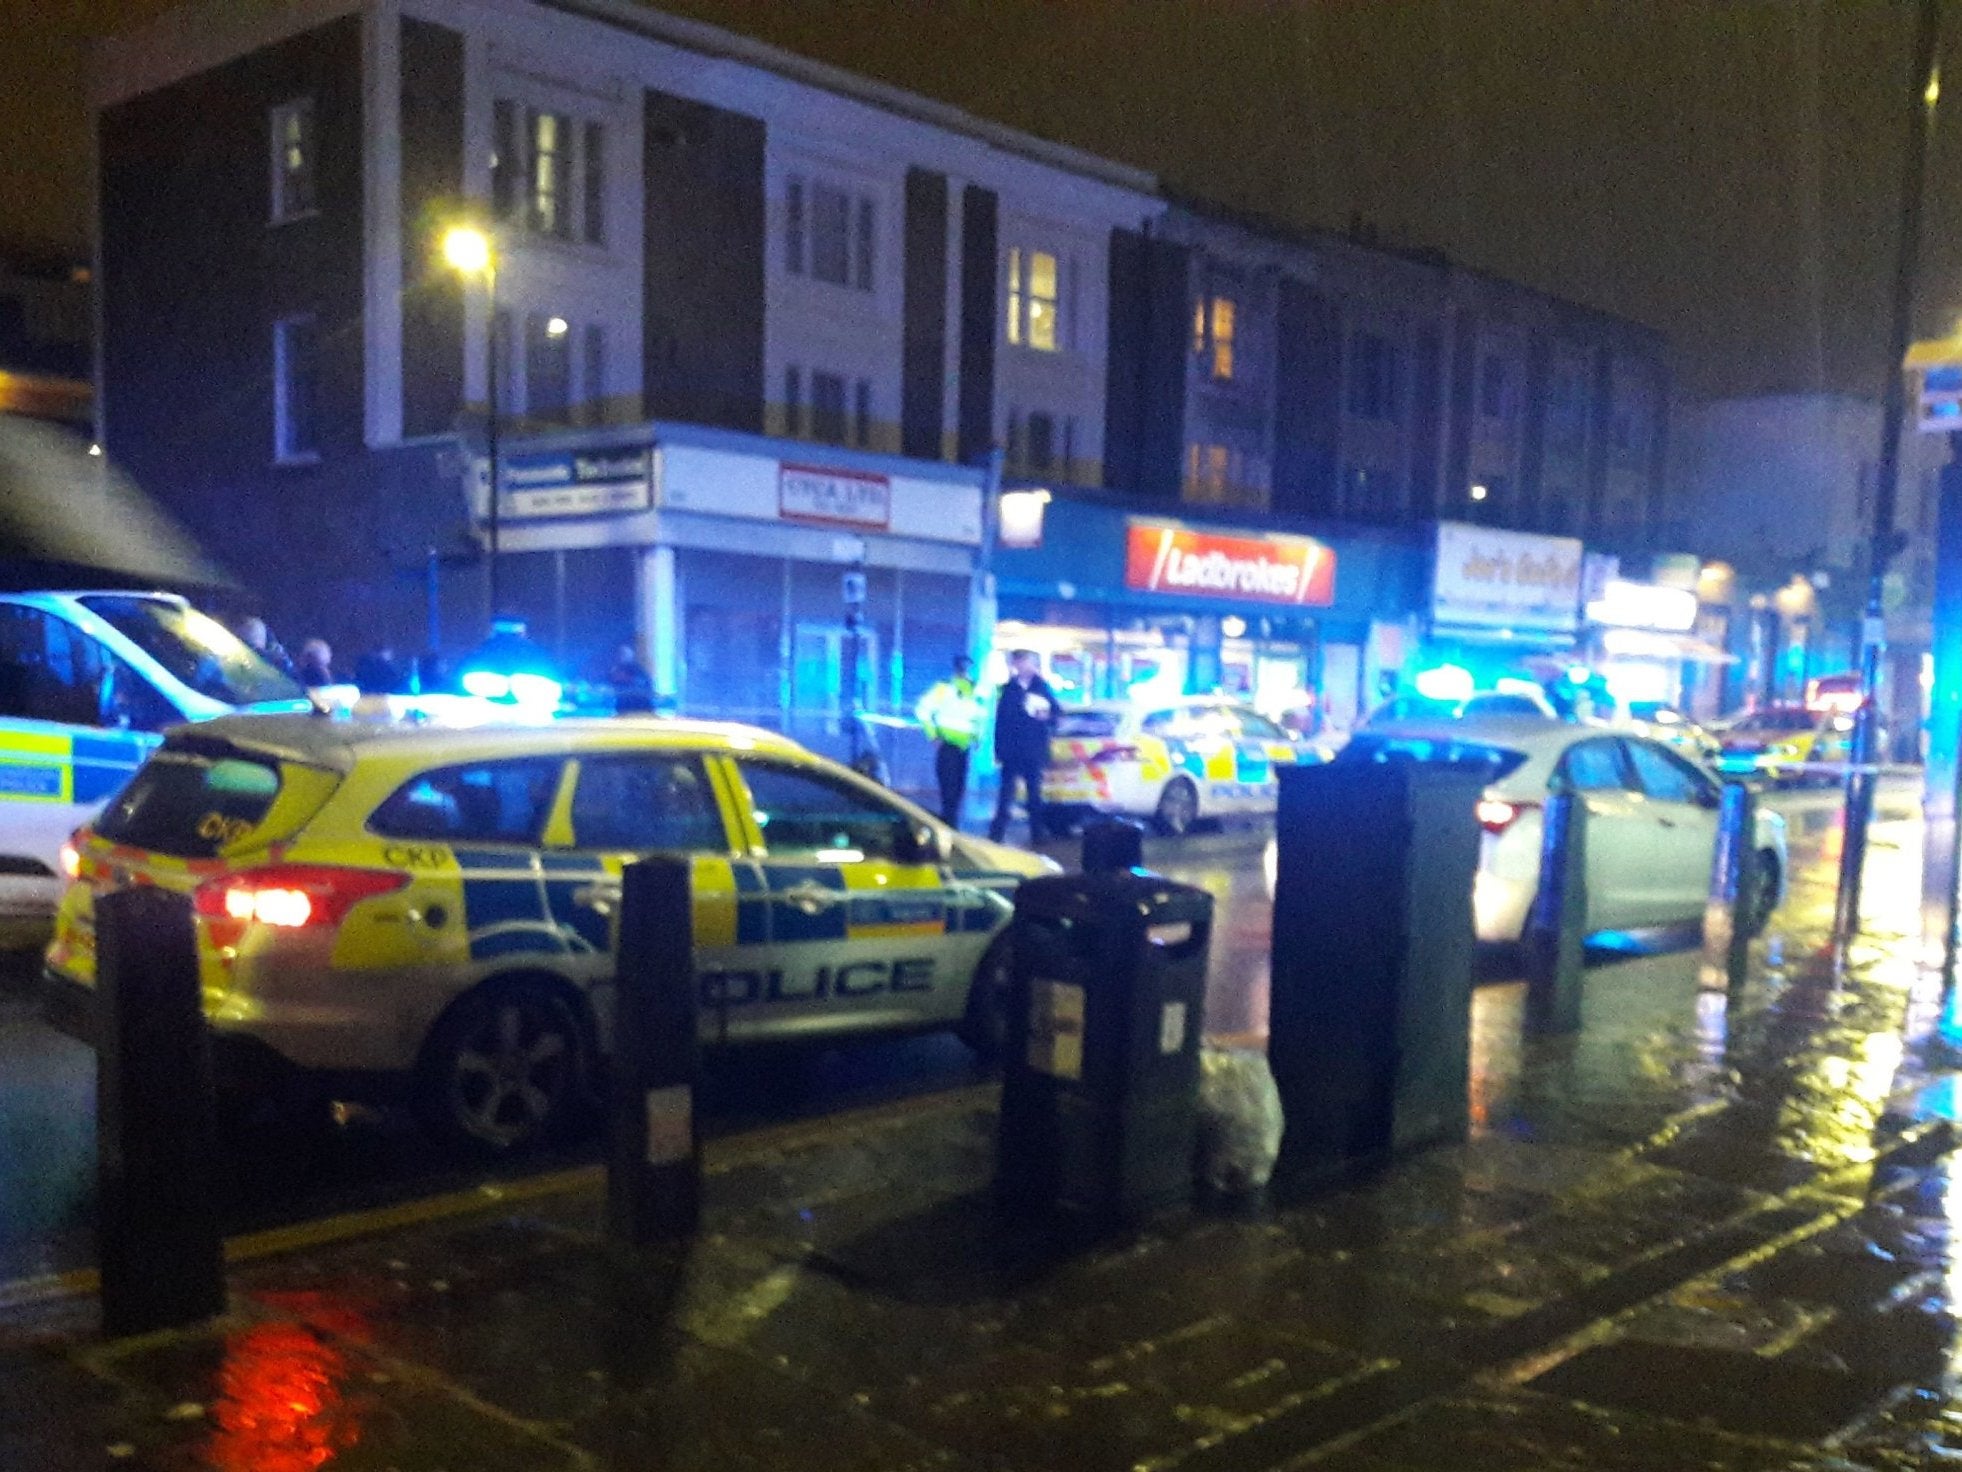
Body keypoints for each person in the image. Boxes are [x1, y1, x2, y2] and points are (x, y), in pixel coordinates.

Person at [989, 649, 1059, 844]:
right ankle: (996, 833)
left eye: (1025, 662)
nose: (1022, 666)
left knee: (1034, 794)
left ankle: (1037, 833)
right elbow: (1001, 722)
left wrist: (1048, 717)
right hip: (1012, 751)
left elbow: (1056, 713)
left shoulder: (1042, 687)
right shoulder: (1008, 689)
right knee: (1006, 795)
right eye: (1019, 663)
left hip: (1033, 749)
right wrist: (999, 750)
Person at [916, 653, 983, 825]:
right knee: (948, 788)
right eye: (962, 667)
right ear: (956, 668)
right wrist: (933, 736)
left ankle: (952, 823)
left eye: (968, 668)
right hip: (947, 745)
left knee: (958, 788)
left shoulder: (974, 691)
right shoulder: (944, 688)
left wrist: (977, 737)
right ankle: (948, 823)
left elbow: (978, 717)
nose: (965, 671)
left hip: (964, 747)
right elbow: (922, 710)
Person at [609, 643, 654, 714]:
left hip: (641, 708)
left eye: (623, 654)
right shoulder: (615, 669)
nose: (621, 657)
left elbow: (645, 686)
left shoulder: (639, 670)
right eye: (620, 654)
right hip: (623, 708)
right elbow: (613, 687)